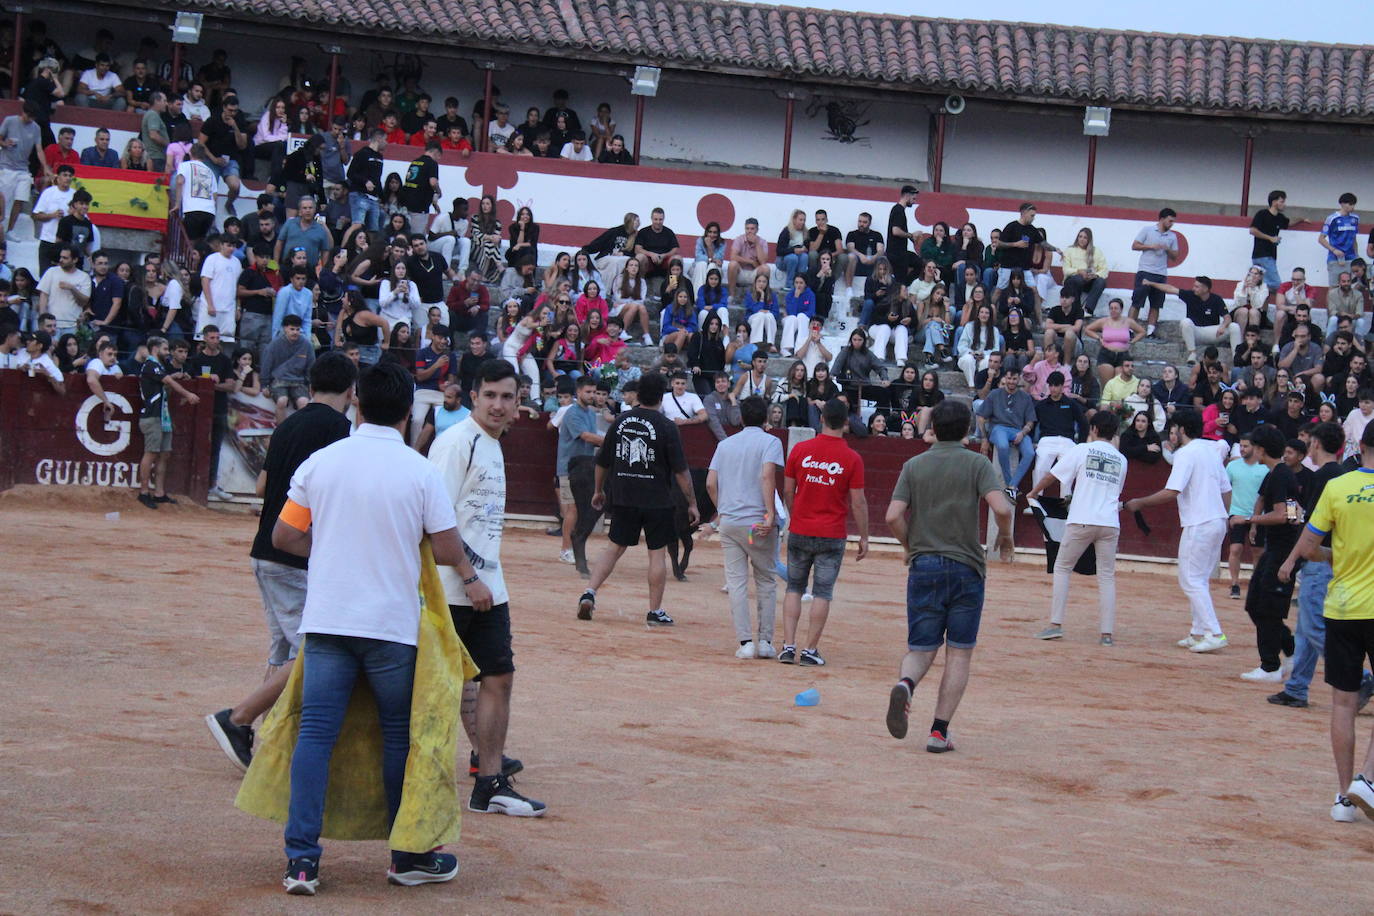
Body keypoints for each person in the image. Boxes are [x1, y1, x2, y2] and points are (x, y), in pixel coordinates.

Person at [268, 359, 474, 893]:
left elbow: (285, 537)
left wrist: (333, 551)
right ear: (409, 411)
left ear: (356, 403)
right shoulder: (419, 470)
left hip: (330, 620)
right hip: (390, 626)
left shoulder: (323, 462)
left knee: (315, 736)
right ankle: (406, 855)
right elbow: (449, 548)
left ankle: (302, 862)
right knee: (398, 739)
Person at [204, 352, 357, 770]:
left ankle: (266, 739)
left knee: (284, 648)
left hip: (265, 551)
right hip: (298, 556)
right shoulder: (343, 432)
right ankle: (239, 719)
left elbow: (260, 487)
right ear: (351, 390)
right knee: (315, 652)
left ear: (310, 387)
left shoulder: (288, 424)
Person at [429, 358, 546, 817]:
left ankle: (491, 781)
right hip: (451, 586)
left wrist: (484, 581)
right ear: (473, 396)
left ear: (518, 403)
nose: (498, 405)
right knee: (435, 687)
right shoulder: (457, 443)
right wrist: (469, 577)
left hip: (487, 586)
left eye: (507, 397)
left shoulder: (491, 444)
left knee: (498, 676)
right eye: (490, 395)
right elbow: (434, 521)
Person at [884, 399, 1014, 752]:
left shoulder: (914, 465)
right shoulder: (977, 463)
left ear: (934, 429)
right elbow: (1001, 508)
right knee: (958, 653)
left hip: (924, 565)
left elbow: (893, 516)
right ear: (969, 429)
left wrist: (910, 546)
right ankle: (939, 732)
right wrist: (1005, 537)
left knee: (921, 647)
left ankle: (907, 684)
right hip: (966, 568)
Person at [1287, 420, 1374, 824]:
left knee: (1342, 702)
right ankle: (1368, 780)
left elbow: (1308, 546)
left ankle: (1344, 796)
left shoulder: (1337, 487)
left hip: (1342, 606)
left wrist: (1337, 554)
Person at [576, 372, 698, 627]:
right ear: (661, 397)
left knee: (614, 547)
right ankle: (654, 611)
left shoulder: (621, 421)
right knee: (656, 554)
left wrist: (598, 490)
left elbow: (602, 461)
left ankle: (589, 592)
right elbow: (681, 471)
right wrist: (692, 503)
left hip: (624, 495)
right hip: (657, 499)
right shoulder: (667, 426)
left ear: (639, 394)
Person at [1272, 422, 1366, 712]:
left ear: (1315, 444)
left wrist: (1291, 560)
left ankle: (1362, 679)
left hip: (1321, 561)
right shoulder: (1339, 475)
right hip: (1335, 559)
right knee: (1304, 629)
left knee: (1313, 627)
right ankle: (1297, 688)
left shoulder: (1325, 478)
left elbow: (1311, 529)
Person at [1124, 409, 1231, 652]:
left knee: (1191, 579)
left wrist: (1140, 502)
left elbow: (1173, 491)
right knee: (1199, 579)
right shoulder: (1212, 451)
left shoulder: (1186, 454)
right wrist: (1223, 516)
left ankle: (1215, 632)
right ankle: (1198, 632)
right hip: (1215, 520)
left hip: (1199, 522)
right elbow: (1226, 489)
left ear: (1182, 429)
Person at [778, 397, 869, 666]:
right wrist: (864, 536)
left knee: (794, 588)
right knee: (822, 592)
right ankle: (809, 650)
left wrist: (797, 516)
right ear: (846, 423)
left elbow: (786, 490)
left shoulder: (800, 450)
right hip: (831, 533)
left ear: (821, 419)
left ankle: (788, 646)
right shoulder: (852, 458)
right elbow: (859, 502)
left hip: (801, 528)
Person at [1026, 411, 1127, 645]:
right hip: (1110, 523)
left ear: (1093, 429)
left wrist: (1033, 493)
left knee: (1062, 567)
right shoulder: (1121, 460)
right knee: (1106, 577)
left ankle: (1055, 624)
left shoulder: (1082, 450)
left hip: (1082, 518)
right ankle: (1107, 634)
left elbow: (1053, 475)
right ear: (1114, 433)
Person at [707, 395, 785, 659]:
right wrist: (770, 514)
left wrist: (723, 509)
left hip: (730, 523)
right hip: (756, 524)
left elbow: (710, 483)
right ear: (766, 419)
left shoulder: (725, 445)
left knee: (737, 582)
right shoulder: (771, 441)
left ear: (740, 418)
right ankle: (764, 642)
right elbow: (767, 475)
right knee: (765, 580)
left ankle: (745, 643)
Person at [1231, 425, 1301, 682]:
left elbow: (1283, 514)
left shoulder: (1280, 475)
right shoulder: (1279, 474)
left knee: (1265, 608)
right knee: (1256, 605)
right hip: (1278, 547)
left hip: (1281, 549)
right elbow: (1293, 513)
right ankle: (1291, 652)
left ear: (1261, 449)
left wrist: (1249, 520)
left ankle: (1270, 666)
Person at [136, 336, 200, 510]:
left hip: (162, 416)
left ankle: (159, 492)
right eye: (165, 349)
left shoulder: (158, 367)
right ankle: (143, 492)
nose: (167, 352)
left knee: (164, 454)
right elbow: (168, 382)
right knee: (150, 453)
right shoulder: (151, 365)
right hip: (152, 416)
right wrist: (187, 394)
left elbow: (166, 385)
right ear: (155, 349)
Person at [556, 376, 604, 563]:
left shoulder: (590, 413)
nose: (592, 395)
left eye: (593, 392)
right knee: (573, 509)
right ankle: (565, 549)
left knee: (580, 510)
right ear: (578, 392)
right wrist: (610, 440)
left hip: (584, 468)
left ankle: (573, 548)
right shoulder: (572, 413)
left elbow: (592, 435)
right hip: (569, 467)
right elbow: (585, 436)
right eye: (588, 392)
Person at [976, 369, 1037, 501]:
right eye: (1009, 378)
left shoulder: (1025, 397)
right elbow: (980, 417)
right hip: (999, 428)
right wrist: (984, 438)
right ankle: (1010, 483)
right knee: (1003, 446)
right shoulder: (994, 394)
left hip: (1018, 430)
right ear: (1005, 378)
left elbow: (1030, 422)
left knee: (1030, 453)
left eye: (1014, 379)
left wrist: (1022, 433)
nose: (1011, 381)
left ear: (1019, 379)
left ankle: (1011, 486)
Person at [1225, 433, 1270, 600]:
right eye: (1241, 446)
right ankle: (1235, 583)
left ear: (1255, 447)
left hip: (1258, 516)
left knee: (1257, 551)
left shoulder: (1264, 468)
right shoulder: (1232, 466)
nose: (1242, 449)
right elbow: (1225, 489)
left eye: (1246, 446)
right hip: (1237, 513)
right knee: (1235, 548)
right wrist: (1228, 513)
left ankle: (1255, 584)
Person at [1128, 207, 1179, 338]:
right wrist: (1151, 246)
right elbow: (1134, 246)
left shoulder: (1172, 236)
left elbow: (1175, 256)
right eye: (1170, 221)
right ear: (1162, 219)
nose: (1171, 224)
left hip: (1161, 273)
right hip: (1145, 270)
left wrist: (1167, 249)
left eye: (1173, 222)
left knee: (1156, 304)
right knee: (1137, 301)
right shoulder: (1147, 230)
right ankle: (1129, 328)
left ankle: (1151, 331)